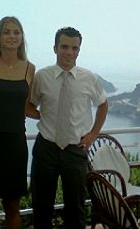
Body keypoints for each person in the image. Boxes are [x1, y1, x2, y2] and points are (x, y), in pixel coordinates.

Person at [30, 27, 109, 229]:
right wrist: (44, 116)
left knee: (76, 209)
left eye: (74, 48)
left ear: (79, 51)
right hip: (46, 148)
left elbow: (103, 104)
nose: (69, 52)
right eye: (64, 47)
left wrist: (92, 134)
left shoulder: (88, 78)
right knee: (41, 207)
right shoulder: (42, 77)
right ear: (55, 48)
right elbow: (29, 105)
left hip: (75, 150)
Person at [0, 16, 39, 229]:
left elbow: (27, 107)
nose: (12, 36)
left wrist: (56, 116)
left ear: (22, 38)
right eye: (6, 32)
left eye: (16, 32)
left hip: (15, 146)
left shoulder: (30, 68)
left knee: (13, 206)